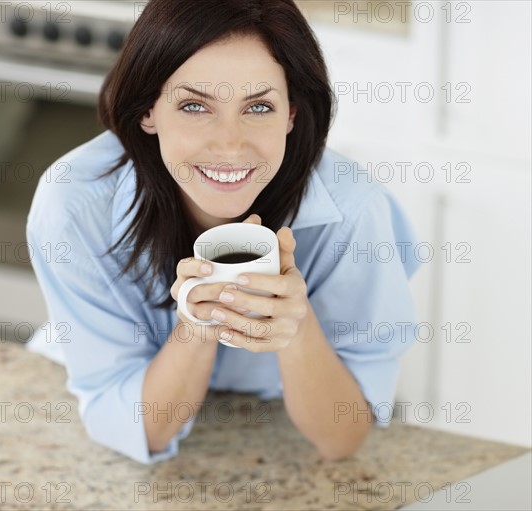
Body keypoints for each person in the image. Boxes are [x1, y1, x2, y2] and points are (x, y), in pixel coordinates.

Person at [26, 0, 422, 465]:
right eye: (195, 106)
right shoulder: (73, 204)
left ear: (291, 113)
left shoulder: (355, 213)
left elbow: (342, 439)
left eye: (258, 107)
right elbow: (142, 429)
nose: (230, 145)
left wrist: (295, 324)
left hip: (275, 420)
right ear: (148, 110)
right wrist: (196, 324)